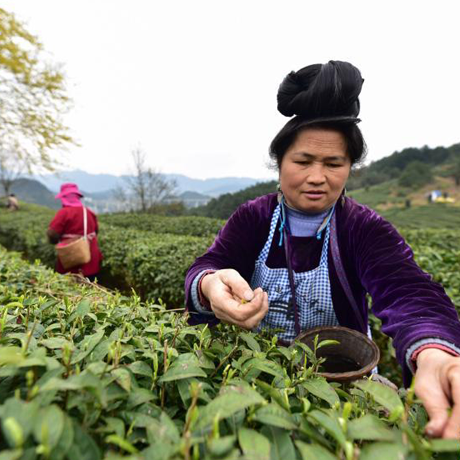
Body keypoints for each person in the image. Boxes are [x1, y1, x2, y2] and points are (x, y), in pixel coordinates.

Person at [185, 61, 460, 439]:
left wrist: (434, 351)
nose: (318, 177)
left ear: (350, 167)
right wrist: (209, 285)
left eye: (334, 163)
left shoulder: (362, 228)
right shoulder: (253, 218)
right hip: (257, 378)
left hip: (344, 389)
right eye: (303, 161)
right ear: (279, 163)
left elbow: (409, 291)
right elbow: (208, 266)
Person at [47, 183, 102, 281]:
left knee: (69, 289)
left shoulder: (64, 213)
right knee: (90, 289)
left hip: (71, 260)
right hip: (90, 258)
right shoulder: (89, 212)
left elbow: (53, 235)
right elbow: (96, 231)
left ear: (63, 198)